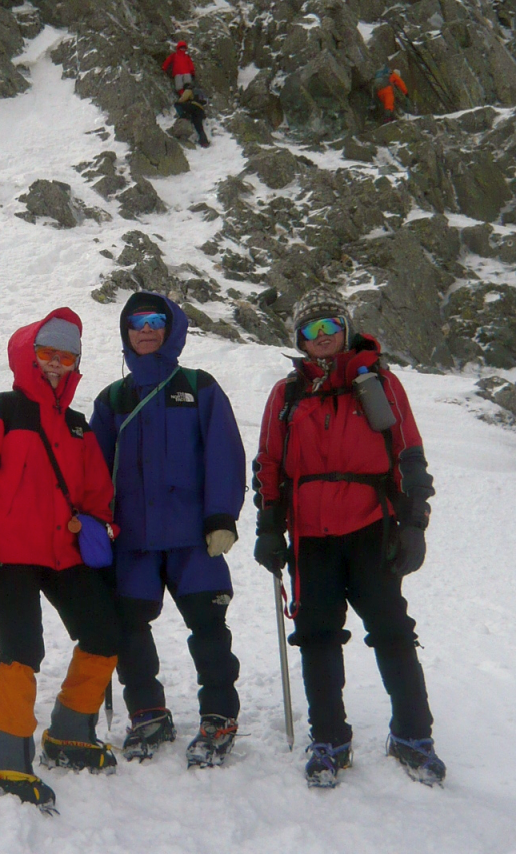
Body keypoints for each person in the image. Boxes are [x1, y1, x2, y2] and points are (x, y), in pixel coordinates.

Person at [253, 287, 446, 788]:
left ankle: (412, 735)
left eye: (329, 327)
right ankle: (329, 740)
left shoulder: (379, 383)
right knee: (317, 636)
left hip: (370, 527)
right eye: (310, 330)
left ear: (346, 329)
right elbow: (269, 465)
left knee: (392, 632)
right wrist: (269, 527)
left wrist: (414, 523)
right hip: (310, 538)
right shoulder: (287, 393)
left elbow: (409, 454)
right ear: (298, 338)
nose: (321, 338)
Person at [0, 309, 120, 811]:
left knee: (104, 630)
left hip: (64, 550)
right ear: (28, 355)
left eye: (67, 355)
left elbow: (98, 494)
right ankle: (4, 756)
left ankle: (69, 732)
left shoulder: (79, 428)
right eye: (47, 353)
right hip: (10, 550)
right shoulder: (0, 410)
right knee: (23, 647)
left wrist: (99, 523)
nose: (56, 364)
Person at [90, 293, 246, 769]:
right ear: (126, 333)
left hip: (193, 538)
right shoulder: (113, 399)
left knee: (208, 627)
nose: (145, 329)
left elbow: (224, 452)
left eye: (155, 320)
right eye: (135, 322)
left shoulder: (199, 388)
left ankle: (219, 716)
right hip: (133, 540)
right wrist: (95, 527)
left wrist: (222, 516)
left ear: (170, 326)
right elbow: (94, 471)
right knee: (130, 629)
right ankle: (148, 712)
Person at [175, 83, 210, 148]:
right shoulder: (200, 91)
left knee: (177, 104)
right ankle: (204, 142)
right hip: (201, 110)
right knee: (198, 126)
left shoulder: (189, 90)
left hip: (193, 106)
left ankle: (184, 115)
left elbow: (182, 100)